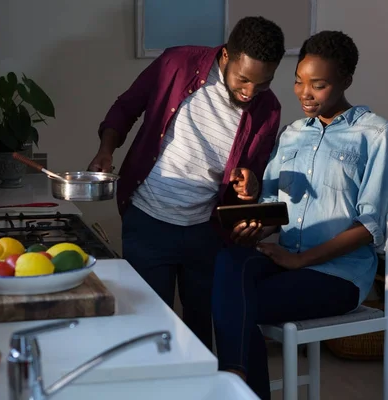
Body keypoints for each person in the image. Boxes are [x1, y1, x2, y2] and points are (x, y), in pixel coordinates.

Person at [211, 30, 388, 399]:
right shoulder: (293, 133)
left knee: (235, 302)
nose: (305, 93)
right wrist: (251, 191)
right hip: (287, 260)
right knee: (230, 263)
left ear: (346, 81)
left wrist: (301, 261)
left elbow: (370, 225)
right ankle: (239, 380)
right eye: (299, 81)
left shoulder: (376, 135)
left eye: (319, 85)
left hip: (338, 277)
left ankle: (238, 387)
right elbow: (269, 201)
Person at [87, 17, 286, 349]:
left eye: (263, 83)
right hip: (148, 221)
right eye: (243, 79)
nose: (250, 92)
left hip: (207, 232)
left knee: (200, 332)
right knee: (147, 330)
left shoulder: (269, 109)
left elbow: (253, 174)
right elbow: (126, 106)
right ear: (226, 56)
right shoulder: (176, 64)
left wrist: (250, 184)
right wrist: (106, 150)